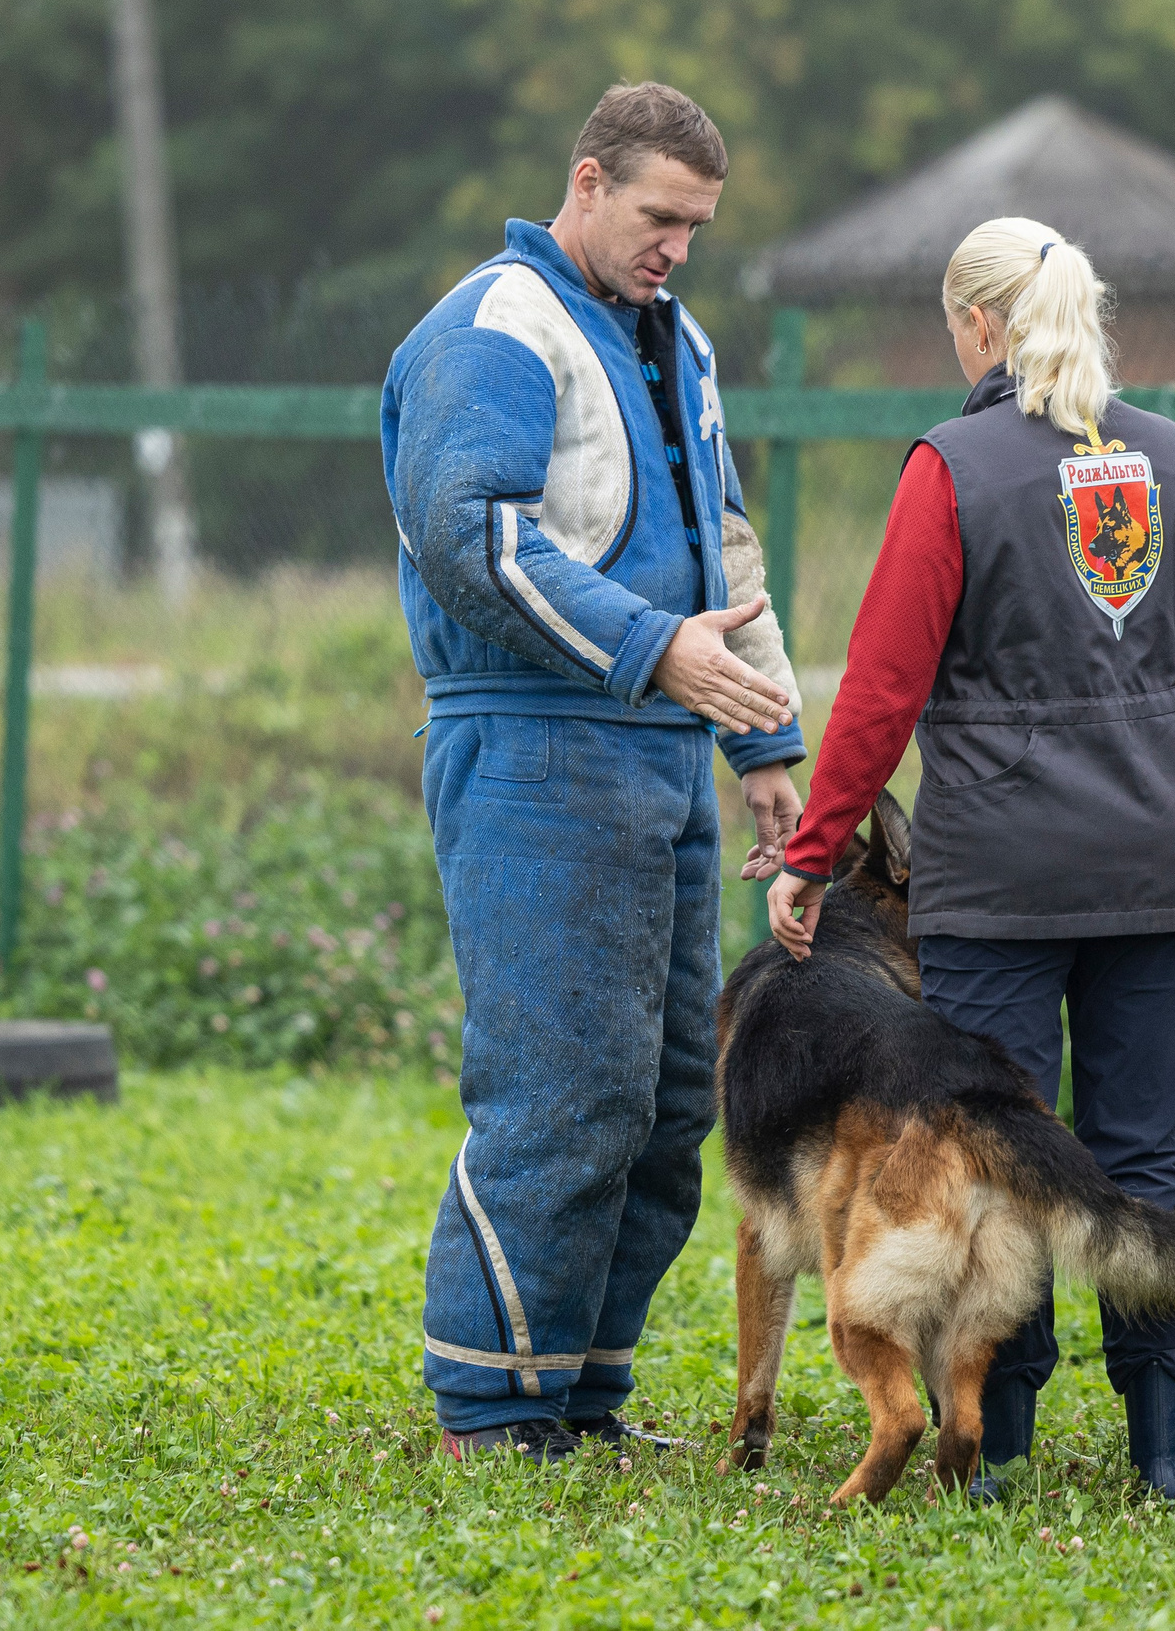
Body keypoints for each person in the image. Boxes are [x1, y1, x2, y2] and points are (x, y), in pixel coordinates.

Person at [767, 217, 1175, 1501]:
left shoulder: (953, 466)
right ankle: (1164, 1452)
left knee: (987, 1151)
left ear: (977, 326)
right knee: (1138, 1151)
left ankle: (1000, 1449)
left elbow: (879, 689)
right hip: (1155, 860)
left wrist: (815, 853)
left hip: (1000, 872)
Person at [382, 83, 807, 1461]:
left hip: (664, 749)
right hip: (532, 743)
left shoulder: (676, 342)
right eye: (657, 216)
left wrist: (765, 744)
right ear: (585, 181)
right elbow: (472, 537)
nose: (677, 246)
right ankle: (492, 1405)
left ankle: (580, 1391)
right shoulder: (495, 325)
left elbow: (723, 548)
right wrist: (654, 655)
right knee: (559, 1090)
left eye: (697, 225)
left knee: (670, 1101)